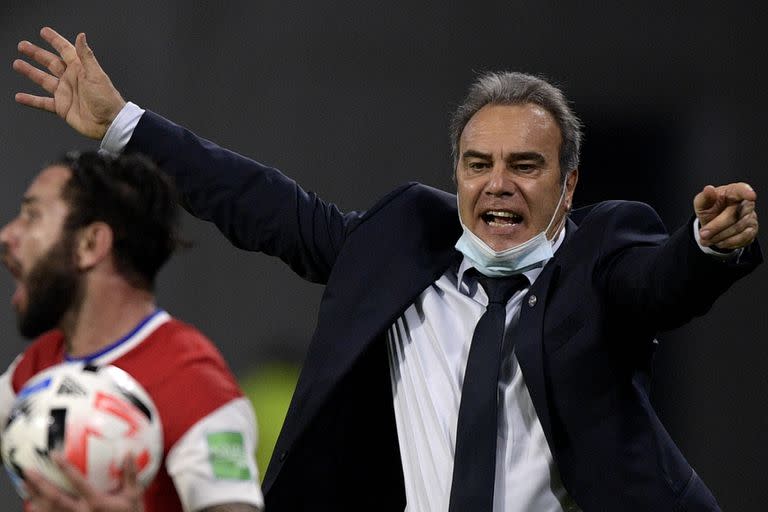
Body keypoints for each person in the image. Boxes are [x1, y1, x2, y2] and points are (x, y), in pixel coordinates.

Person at [12, 27, 761, 512]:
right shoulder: (402, 241)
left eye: (525, 166)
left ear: (567, 185)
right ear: (458, 174)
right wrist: (122, 125)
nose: (498, 183)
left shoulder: (601, 252)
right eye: (479, 164)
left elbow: (659, 282)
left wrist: (707, 247)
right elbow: (263, 204)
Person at [0, 151, 265, 512]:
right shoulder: (37, 366)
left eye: (32, 215)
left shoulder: (194, 383)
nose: (7, 234)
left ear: (91, 244)